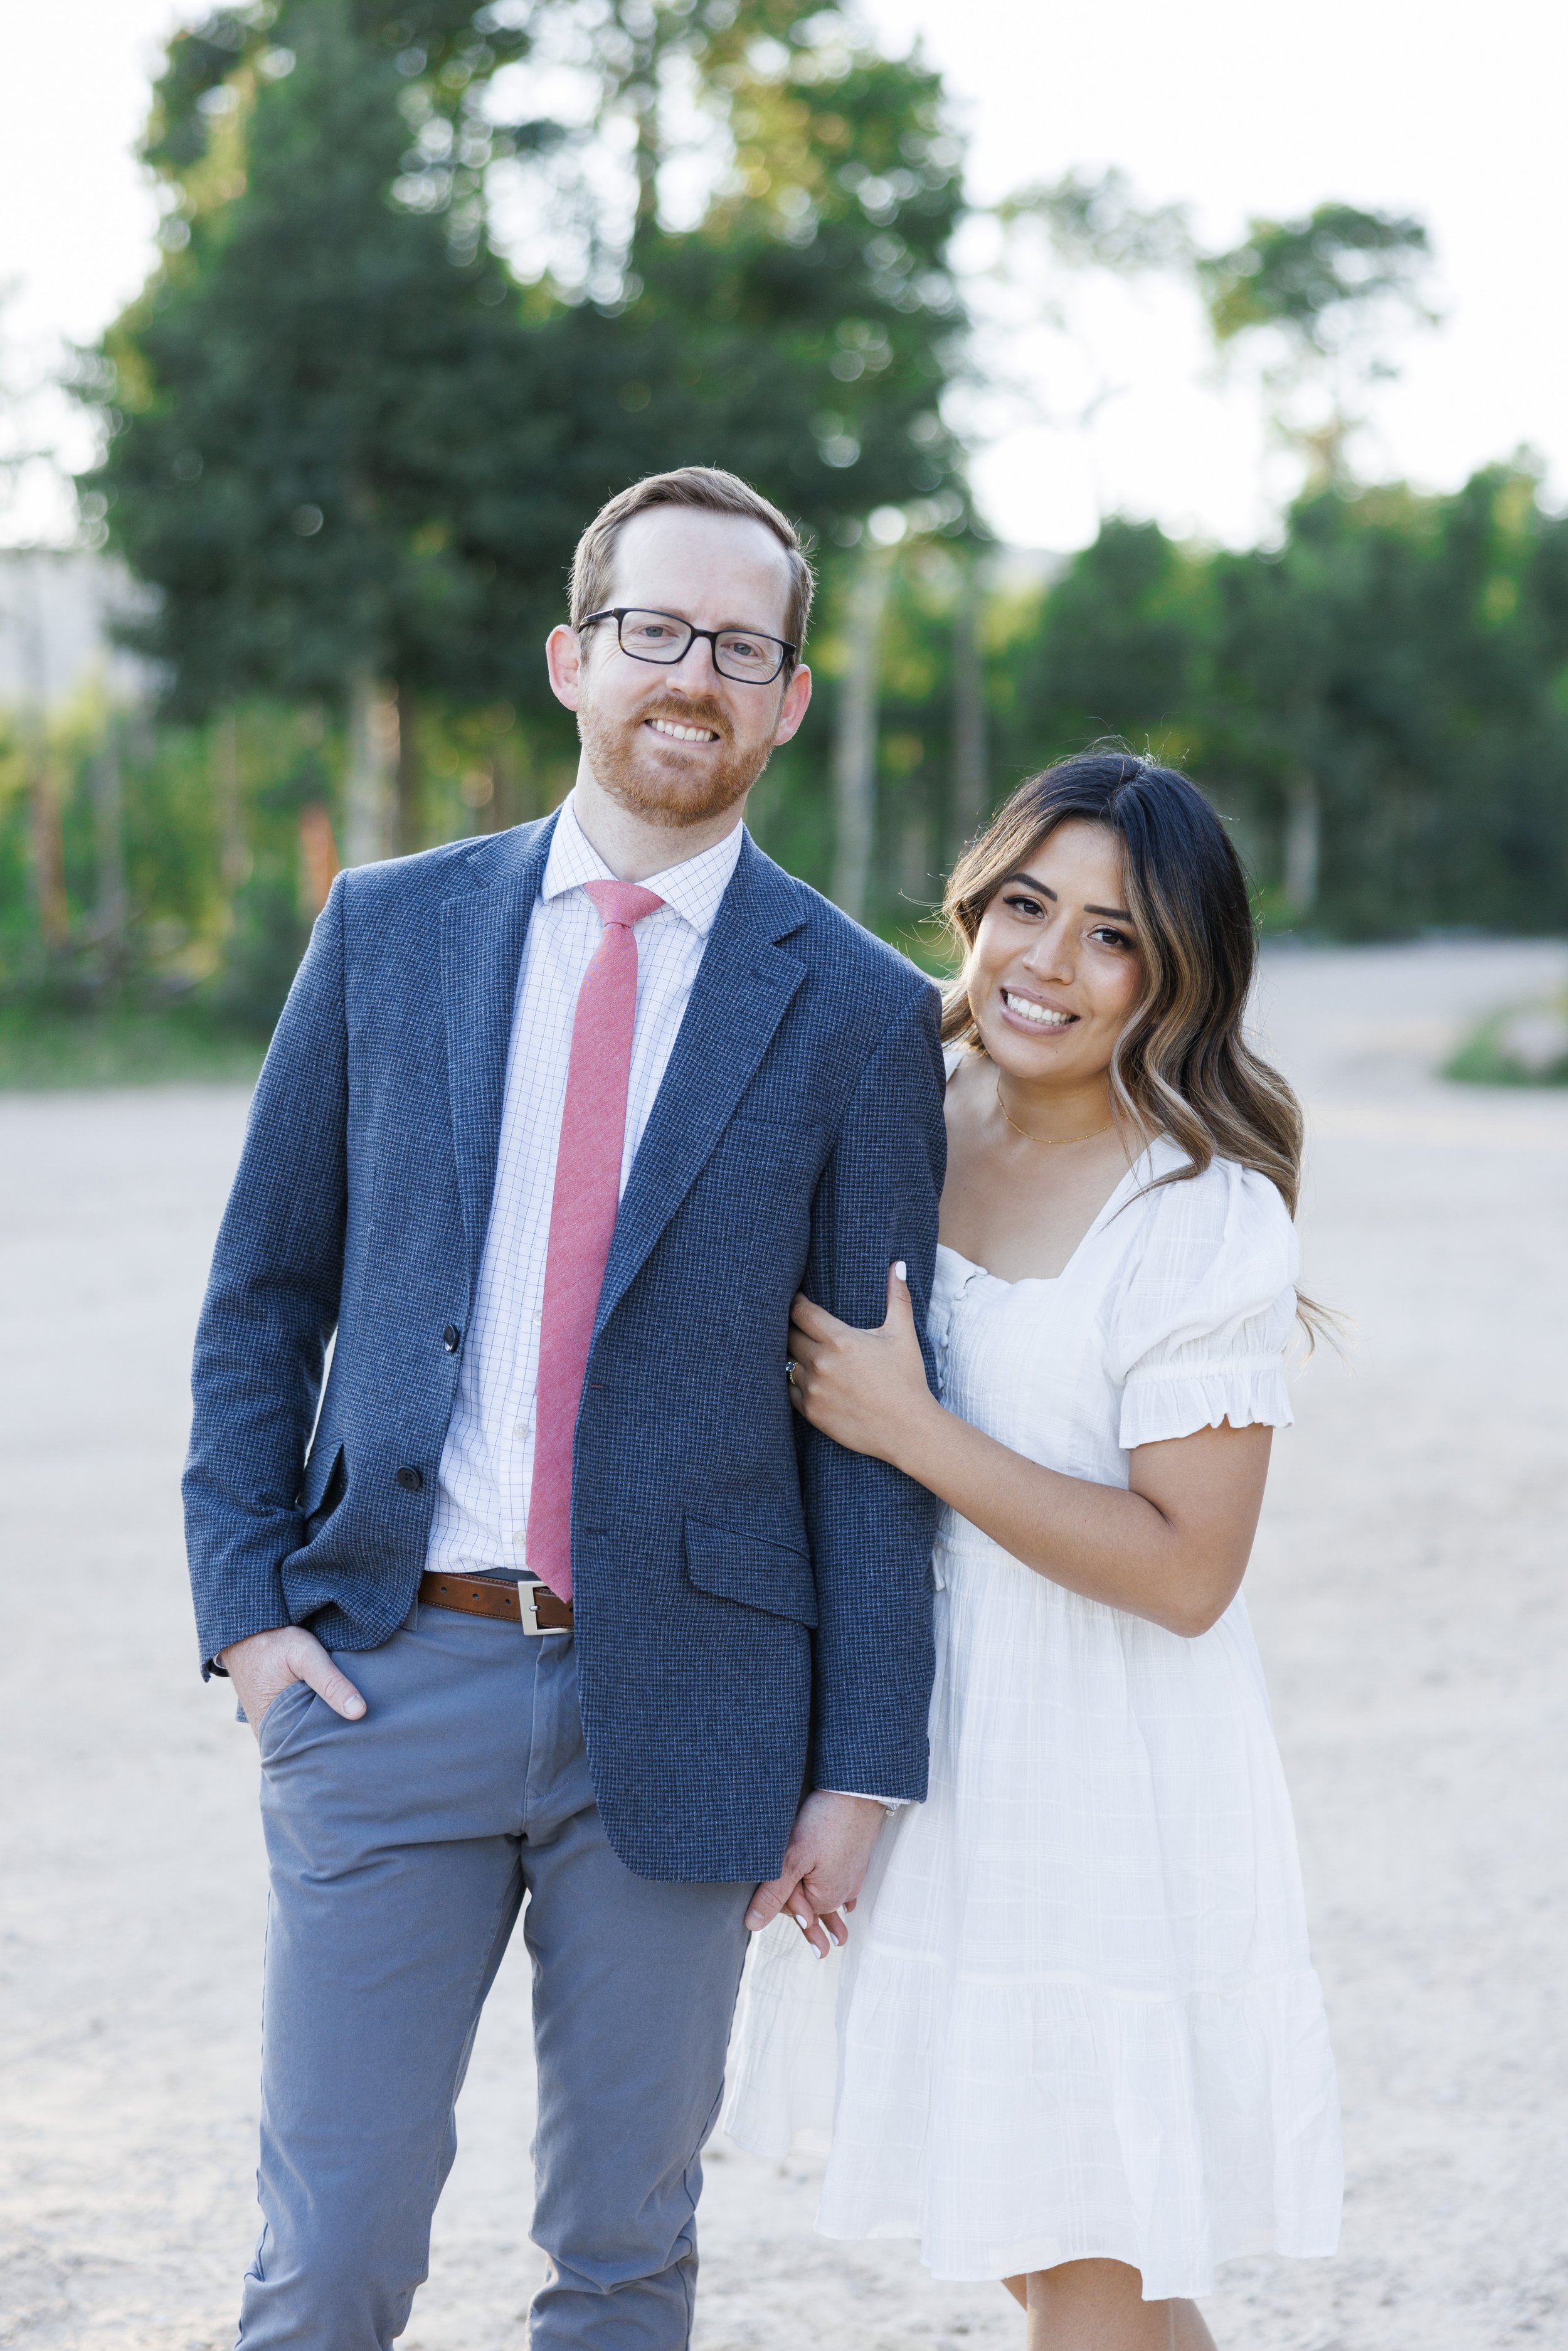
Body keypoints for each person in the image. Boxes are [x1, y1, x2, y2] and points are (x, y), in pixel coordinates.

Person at [183, 464, 947, 2351]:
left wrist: (859, 1766)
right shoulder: (388, 929)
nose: (690, 675)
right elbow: (261, 1296)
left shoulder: (857, 1010)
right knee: (329, 2260)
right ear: (571, 658)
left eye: (739, 646)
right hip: (385, 1676)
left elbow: (870, 1414)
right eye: (652, 631)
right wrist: (252, 1616)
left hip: (682, 1724)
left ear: (786, 695)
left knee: (624, 2266)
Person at [726, 753, 1343, 2350]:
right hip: (915, 1743)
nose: (1046, 966)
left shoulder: (1194, 1211)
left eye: (1109, 937)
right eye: (1025, 908)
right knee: (1056, 2251)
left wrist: (912, 1426)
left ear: (1176, 974)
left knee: (1085, 2259)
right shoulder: (892, 1107)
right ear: (975, 906)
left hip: (1091, 1768)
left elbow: (1186, 1569)